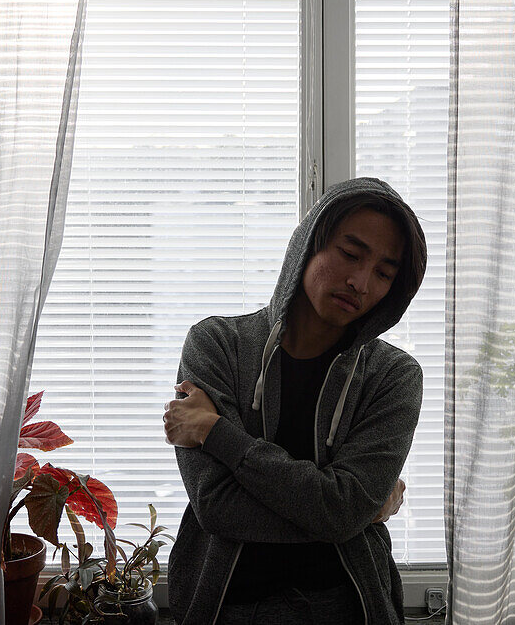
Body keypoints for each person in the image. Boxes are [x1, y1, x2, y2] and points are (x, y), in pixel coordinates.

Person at [162, 177, 427, 625]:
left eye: (384, 272)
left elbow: (343, 511)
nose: (360, 282)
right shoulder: (217, 345)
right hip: (226, 605)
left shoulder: (393, 376)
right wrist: (353, 512)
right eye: (349, 253)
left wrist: (216, 433)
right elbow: (217, 506)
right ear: (309, 244)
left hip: (348, 606)